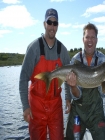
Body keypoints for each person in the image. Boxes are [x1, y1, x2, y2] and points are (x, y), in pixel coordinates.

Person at [19, 8, 70, 140]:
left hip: (55, 107)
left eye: (55, 23)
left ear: (58, 25)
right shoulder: (34, 48)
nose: (52, 26)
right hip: (36, 106)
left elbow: (69, 77)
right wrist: (25, 107)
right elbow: (23, 78)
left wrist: (68, 98)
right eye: (49, 22)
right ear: (44, 24)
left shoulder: (62, 50)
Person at [65, 23, 105, 140]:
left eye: (93, 37)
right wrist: (72, 87)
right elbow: (76, 96)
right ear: (83, 39)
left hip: (96, 112)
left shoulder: (103, 60)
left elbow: (104, 93)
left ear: (97, 40)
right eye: (87, 37)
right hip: (78, 111)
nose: (90, 40)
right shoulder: (75, 59)